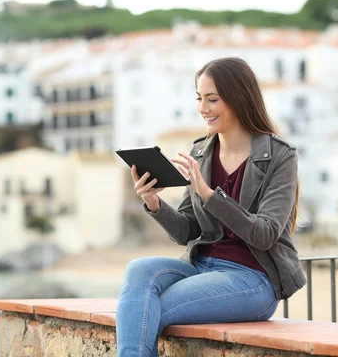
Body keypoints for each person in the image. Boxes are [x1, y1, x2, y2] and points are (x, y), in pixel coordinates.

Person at [116, 57, 306, 357]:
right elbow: (187, 231)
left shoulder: (280, 156)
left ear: (239, 98)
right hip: (201, 268)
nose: (202, 108)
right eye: (199, 98)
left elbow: (266, 234)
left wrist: (208, 193)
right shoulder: (201, 151)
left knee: (147, 310)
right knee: (139, 270)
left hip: (253, 278)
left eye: (212, 99)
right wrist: (154, 203)